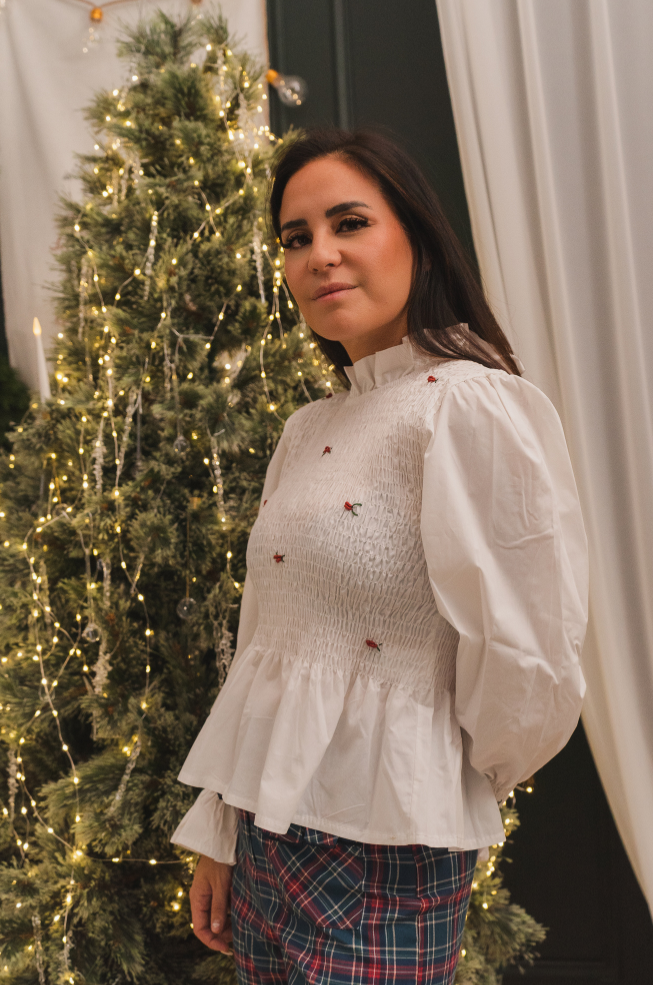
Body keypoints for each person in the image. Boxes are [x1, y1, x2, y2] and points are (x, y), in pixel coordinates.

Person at [171, 127, 589, 984]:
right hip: (263, 840)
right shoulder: (308, 427)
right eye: (296, 238)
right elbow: (265, 643)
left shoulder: (470, 405)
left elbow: (529, 649)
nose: (319, 254)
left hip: (384, 855)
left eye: (349, 223)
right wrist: (221, 829)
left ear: (417, 237)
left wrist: (450, 776)